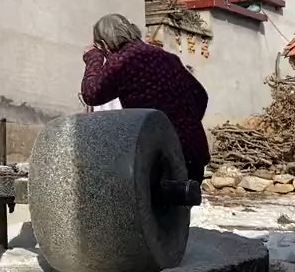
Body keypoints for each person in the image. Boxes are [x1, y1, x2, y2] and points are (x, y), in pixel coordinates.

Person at [81, 13, 210, 183]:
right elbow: (201, 96)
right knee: (179, 207)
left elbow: (91, 94)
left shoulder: (122, 62)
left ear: (104, 44)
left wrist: (93, 58)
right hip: (192, 153)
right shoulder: (168, 58)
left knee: (147, 207)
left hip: (158, 157)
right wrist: (184, 124)